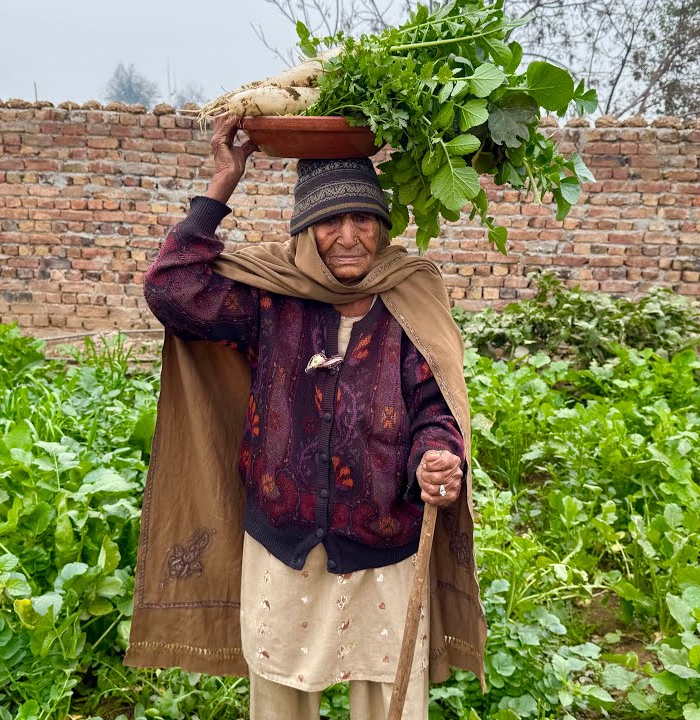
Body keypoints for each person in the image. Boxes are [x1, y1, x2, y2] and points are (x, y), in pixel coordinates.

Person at [123, 116, 487, 720]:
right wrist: (222, 183)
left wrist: (436, 454)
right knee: (280, 703)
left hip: (383, 544)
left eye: (362, 219)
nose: (348, 236)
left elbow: (434, 404)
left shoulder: (408, 295)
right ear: (304, 229)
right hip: (284, 544)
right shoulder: (272, 297)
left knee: (390, 702)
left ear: (382, 226)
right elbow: (172, 291)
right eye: (329, 221)